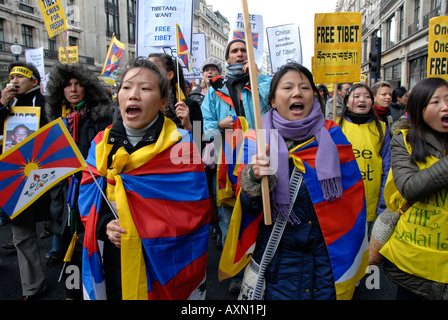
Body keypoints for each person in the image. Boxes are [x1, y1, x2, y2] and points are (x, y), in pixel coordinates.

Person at [228, 63, 368, 300]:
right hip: (279, 261)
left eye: (305, 87)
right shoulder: (258, 140)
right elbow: (247, 209)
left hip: (327, 259)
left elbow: (352, 201)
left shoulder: (334, 136)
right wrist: (254, 179)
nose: (297, 93)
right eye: (288, 87)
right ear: (272, 100)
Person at [78, 58, 210, 300]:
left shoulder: (183, 146)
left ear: (162, 102)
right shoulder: (100, 144)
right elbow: (88, 196)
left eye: (145, 88)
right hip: (115, 257)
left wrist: (144, 225)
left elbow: (194, 212)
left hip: (165, 261)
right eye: (126, 88)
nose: (133, 95)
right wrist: (104, 224)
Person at [200, 38, 272, 294]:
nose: (240, 54)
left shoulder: (261, 82)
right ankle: (238, 272)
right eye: (235, 51)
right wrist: (218, 126)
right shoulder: (214, 90)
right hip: (226, 163)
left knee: (263, 214)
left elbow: (272, 103)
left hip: (258, 157)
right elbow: (203, 129)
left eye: (244, 50)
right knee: (229, 218)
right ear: (227, 58)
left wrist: (258, 76)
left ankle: (261, 268)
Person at [44, 62, 114, 299]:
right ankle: (72, 293)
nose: (73, 89)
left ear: (88, 88)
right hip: (63, 196)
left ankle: (91, 291)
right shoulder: (56, 121)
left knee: (90, 247)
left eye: (78, 84)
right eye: (67, 85)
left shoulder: (102, 118)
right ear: (60, 91)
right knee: (67, 248)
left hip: (90, 192)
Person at [380, 77, 448, 300]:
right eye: (435, 102)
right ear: (419, 108)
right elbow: (408, 188)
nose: (445, 107)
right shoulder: (403, 141)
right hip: (413, 265)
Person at [0, 62, 50, 299]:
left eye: (20, 76)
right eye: (11, 77)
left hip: (42, 177)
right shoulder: (5, 105)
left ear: (35, 81)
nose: (14, 80)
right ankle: (32, 286)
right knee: (22, 235)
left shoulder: (45, 105)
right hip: (13, 179)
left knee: (61, 227)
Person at [337, 83, 390, 232]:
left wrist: (383, 202)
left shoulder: (382, 128)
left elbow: (387, 167)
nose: (362, 100)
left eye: (367, 97)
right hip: (342, 200)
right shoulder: (335, 127)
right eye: (357, 96)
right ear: (347, 102)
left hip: (371, 200)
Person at [148, 53, 202, 135]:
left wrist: (187, 125)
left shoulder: (191, 105)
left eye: (154, 68)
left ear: (169, 75)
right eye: (146, 68)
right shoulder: (141, 103)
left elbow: (199, 142)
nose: (148, 72)